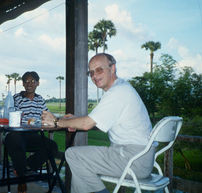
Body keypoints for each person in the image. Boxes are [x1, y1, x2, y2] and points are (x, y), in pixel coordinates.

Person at [41, 53, 156, 193]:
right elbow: (95, 120)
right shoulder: (121, 88)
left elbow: (86, 124)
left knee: (74, 155)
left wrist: (56, 121)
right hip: (138, 157)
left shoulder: (117, 92)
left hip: (133, 160)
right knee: (79, 159)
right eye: (91, 73)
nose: (94, 76)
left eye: (99, 70)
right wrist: (73, 120)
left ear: (112, 68)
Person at [4, 71, 58, 193]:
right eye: (26, 81)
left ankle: (25, 167)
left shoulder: (40, 100)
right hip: (15, 134)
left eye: (33, 81)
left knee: (52, 146)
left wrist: (60, 120)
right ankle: (22, 179)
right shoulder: (16, 98)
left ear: (38, 83)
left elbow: (47, 115)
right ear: (23, 84)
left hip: (32, 136)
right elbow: (9, 115)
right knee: (16, 140)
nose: (29, 84)